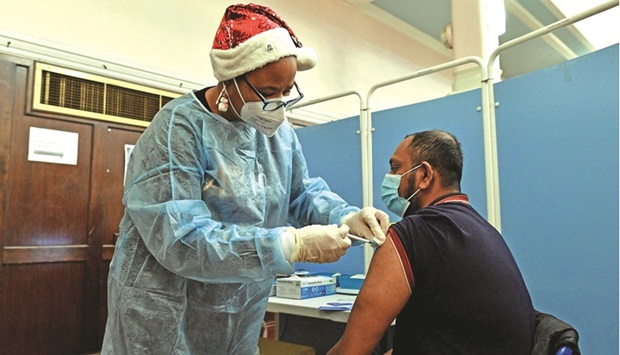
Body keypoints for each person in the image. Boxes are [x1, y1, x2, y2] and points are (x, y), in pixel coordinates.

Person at [101, 3, 389, 354]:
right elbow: (182, 239)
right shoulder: (179, 129)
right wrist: (290, 245)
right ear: (229, 81)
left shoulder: (278, 133)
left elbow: (299, 193)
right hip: (166, 307)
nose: (280, 105)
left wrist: (345, 217)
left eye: (288, 91)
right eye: (268, 93)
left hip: (239, 311)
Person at [328, 130, 535, 354]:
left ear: (424, 175)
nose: (389, 177)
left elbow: (350, 350)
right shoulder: (486, 231)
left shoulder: (411, 234)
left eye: (395, 168)